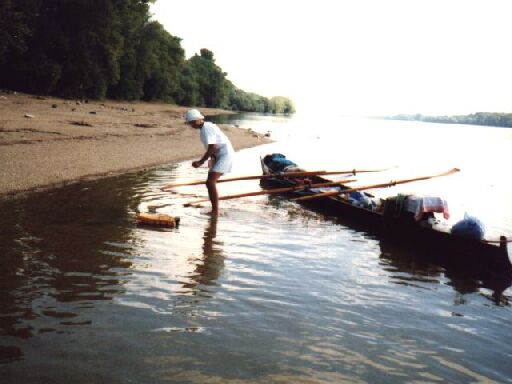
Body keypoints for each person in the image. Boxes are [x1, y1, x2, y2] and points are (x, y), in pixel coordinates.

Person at [185, 109, 234, 216]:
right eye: (190, 123)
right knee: (210, 182)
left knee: (210, 182)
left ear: (198, 120)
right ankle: (214, 210)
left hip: (225, 155)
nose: (191, 125)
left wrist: (201, 162)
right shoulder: (205, 127)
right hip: (219, 155)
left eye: (192, 122)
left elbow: (213, 147)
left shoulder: (206, 128)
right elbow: (213, 146)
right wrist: (212, 159)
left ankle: (215, 212)